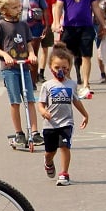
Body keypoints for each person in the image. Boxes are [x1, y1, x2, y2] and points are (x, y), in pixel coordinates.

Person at [0, 0, 42, 147]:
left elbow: (29, 43)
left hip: (24, 66)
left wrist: (31, 54)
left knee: (30, 99)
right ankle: (19, 133)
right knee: (15, 102)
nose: (18, 9)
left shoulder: (23, 25)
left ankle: (35, 132)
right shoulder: (0, 26)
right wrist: (5, 55)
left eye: (19, 6)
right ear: (5, 10)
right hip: (10, 69)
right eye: (14, 7)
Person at [52, 0, 106, 99]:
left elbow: (95, 7)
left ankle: (86, 84)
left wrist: (103, 23)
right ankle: (69, 82)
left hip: (86, 27)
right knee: (68, 56)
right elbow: (58, 6)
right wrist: (56, 22)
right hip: (69, 27)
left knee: (86, 56)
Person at [38, 43, 89, 186]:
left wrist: (85, 114)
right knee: (50, 151)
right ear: (50, 68)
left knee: (65, 147)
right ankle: (48, 161)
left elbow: (76, 101)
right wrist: (43, 111)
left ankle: (64, 173)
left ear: (69, 68)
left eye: (65, 68)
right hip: (50, 124)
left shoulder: (71, 84)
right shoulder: (47, 85)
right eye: (57, 68)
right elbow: (41, 104)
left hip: (66, 122)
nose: (61, 71)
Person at [21, 0, 50, 88]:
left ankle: (32, 82)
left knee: (33, 56)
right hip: (19, 28)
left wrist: (46, 25)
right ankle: (23, 80)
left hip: (35, 27)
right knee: (21, 56)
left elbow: (45, 10)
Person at [33, 0, 58, 82]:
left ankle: (41, 73)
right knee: (33, 49)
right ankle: (33, 71)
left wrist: (54, 22)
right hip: (33, 23)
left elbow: (54, 5)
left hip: (47, 22)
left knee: (45, 48)